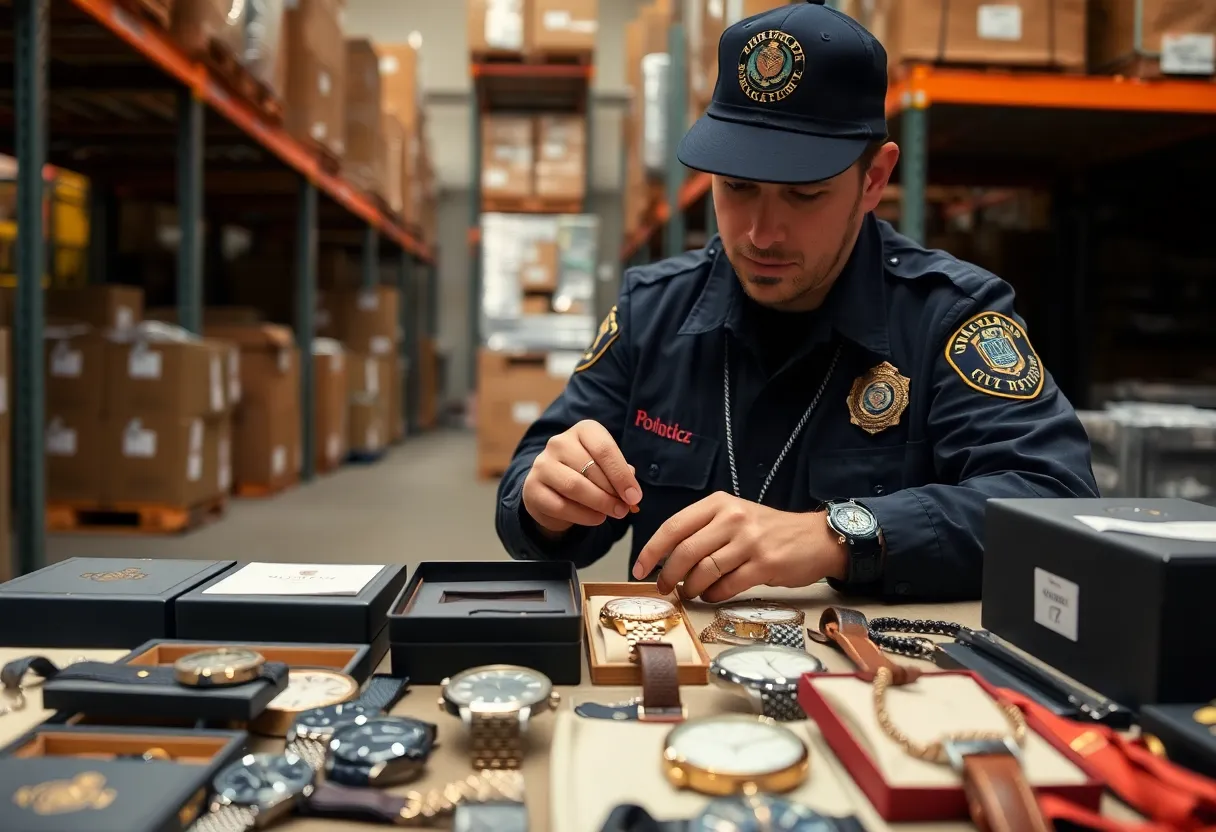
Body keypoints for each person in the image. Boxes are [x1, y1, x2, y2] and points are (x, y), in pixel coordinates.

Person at [494, 0, 1098, 603]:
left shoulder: (947, 317)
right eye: (736, 188)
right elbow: (531, 480)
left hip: (868, 676)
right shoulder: (652, 311)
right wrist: (546, 500)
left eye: (804, 195)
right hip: (675, 672)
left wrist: (842, 535)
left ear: (874, 180)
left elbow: (1056, 502)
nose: (761, 234)